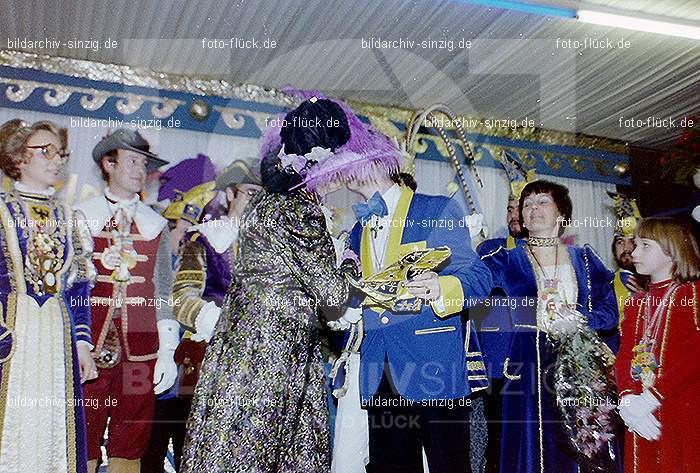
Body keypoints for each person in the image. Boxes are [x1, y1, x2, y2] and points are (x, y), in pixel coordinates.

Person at [293, 96, 492, 473]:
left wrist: (440, 287)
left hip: (434, 368)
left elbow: (480, 277)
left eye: (355, 159)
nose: (346, 170)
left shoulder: (436, 208)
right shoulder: (356, 230)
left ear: (381, 161)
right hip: (378, 371)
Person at [181, 98, 358, 472]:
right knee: (261, 453)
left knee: (229, 449)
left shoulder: (263, 204)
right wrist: (347, 261)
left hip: (239, 346)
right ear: (321, 157)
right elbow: (334, 295)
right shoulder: (299, 210)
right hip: (276, 354)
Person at [481, 180, 620, 473]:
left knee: (585, 445)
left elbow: (609, 312)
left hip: (580, 368)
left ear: (561, 213)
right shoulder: (507, 259)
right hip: (527, 368)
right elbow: (480, 302)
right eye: (527, 204)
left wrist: (580, 319)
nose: (532, 209)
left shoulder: (584, 258)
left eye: (541, 201)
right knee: (532, 447)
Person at [75, 128, 179, 473]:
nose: (140, 170)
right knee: (83, 425)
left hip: (141, 346)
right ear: (109, 163)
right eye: (132, 161)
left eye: (143, 163)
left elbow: (163, 290)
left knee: (132, 431)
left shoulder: (155, 224)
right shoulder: (80, 216)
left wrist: (166, 351)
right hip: (89, 343)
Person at [0, 119, 97, 472]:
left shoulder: (70, 218)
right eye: (47, 151)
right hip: (13, 333)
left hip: (57, 337)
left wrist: (83, 345)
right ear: (17, 157)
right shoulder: (0, 211)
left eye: (61, 153)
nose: (56, 160)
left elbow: (79, 288)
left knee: (54, 427)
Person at [141, 154, 220, 473]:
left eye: (190, 226)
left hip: (191, 365)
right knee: (151, 446)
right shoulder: (152, 260)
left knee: (188, 445)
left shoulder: (203, 257)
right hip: (155, 361)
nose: (182, 233)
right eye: (176, 226)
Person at [615, 217, 700, 473]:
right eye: (634, 245)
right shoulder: (636, 302)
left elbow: (695, 354)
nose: (633, 251)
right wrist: (628, 399)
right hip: (641, 414)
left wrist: (653, 397)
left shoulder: (693, 294)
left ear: (672, 251)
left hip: (681, 409)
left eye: (644, 245)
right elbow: (624, 357)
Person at [608, 191, 646, 326]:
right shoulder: (606, 284)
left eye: (632, 241)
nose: (626, 248)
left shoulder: (663, 280)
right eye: (620, 242)